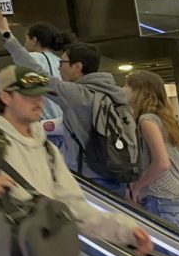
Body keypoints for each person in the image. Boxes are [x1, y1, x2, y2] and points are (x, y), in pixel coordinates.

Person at [0, 65, 154, 256]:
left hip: (41, 255)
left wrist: (125, 230)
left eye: (40, 94)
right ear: (5, 96)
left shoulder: (47, 149)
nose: (38, 101)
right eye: (28, 95)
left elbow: (74, 208)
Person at [49, 42, 134, 195]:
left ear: (77, 66)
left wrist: (7, 36)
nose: (58, 67)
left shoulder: (76, 94)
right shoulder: (115, 94)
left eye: (62, 62)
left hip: (88, 180)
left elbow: (35, 76)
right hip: (117, 174)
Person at [0, 12, 73, 144]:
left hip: (41, 125)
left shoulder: (32, 60)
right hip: (63, 126)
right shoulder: (60, 62)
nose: (25, 44)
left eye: (26, 39)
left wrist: (4, 31)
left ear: (34, 40)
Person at [124, 70, 179, 227]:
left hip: (159, 199)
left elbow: (162, 163)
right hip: (176, 197)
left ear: (139, 91)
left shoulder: (147, 120)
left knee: (163, 251)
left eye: (126, 85)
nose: (122, 89)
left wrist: (137, 187)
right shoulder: (171, 121)